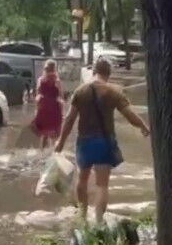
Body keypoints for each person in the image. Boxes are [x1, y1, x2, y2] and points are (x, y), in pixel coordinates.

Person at [55, 57, 149, 223]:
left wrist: (60, 143)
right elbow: (129, 115)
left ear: (94, 71)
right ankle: (98, 221)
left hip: (84, 142)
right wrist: (143, 126)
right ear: (109, 73)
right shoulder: (113, 92)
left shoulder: (81, 91)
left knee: (82, 179)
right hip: (104, 143)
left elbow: (69, 119)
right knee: (102, 185)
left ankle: (82, 216)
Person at [32, 59, 64, 150]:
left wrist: (37, 110)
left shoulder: (40, 80)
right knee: (56, 135)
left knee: (44, 135)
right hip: (54, 109)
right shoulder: (57, 81)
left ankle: (42, 154)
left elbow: (37, 95)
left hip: (43, 109)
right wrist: (62, 113)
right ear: (55, 68)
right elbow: (60, 97)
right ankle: (55, 154)